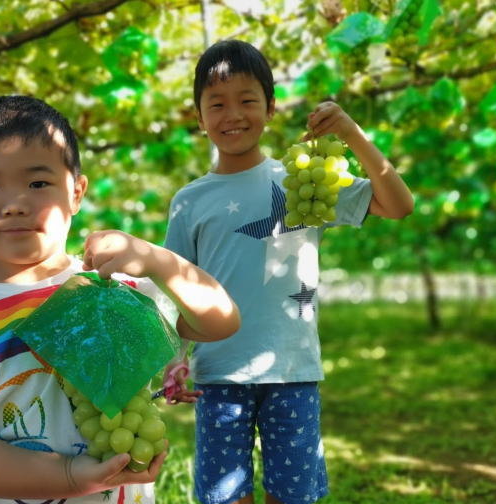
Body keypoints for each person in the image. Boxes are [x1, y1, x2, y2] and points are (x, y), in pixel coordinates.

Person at [0, 95, 240, 504]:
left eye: (38, 183)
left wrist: (159, 261)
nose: (13, 204)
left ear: (76, 192)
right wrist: (68, 477)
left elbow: (219, 321)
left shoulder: (111, 289)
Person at [163, 40, 414, 504]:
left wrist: (351, 134)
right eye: (216, 104)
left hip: (293, 370)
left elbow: (399, 205)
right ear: (198, 117)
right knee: (224, 496)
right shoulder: (189, 201)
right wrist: (175, 356)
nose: (232, 114)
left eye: (247, 100)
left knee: (293, 495)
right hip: (218, 373)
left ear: (271, 108)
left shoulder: (301, 181)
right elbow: (178, 289)